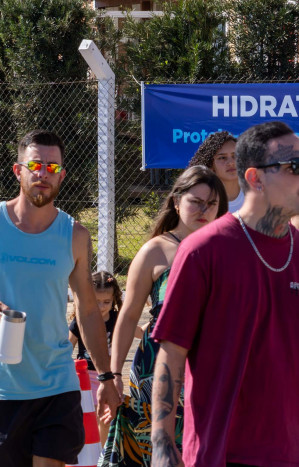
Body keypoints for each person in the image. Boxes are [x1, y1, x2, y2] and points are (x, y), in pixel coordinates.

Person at [0, 129, 120, 466]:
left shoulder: (75, 234)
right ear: (18, 170)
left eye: (52, 168)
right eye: (35, 165)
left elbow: (87, 309)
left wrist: (108, 377)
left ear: (62, 175)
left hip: (57, 383)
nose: (43, 174)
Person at [151, 121, 299, 466]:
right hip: (221, 452)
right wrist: (161, 441)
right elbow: (171, 352)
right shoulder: (205, 250)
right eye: (294, 167)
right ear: (255, 177)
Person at [101, 165, 226, 466]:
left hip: (211, 365)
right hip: (155, 371)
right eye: (196, 201)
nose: (204, 209)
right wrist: (114, 375)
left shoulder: (226, 247)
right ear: (176, 201)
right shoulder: (155, 251)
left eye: (211, 204)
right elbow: (128, 317)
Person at [68, 271, 123, 446]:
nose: (101, 306)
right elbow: (67, 346)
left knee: (105, 418)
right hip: (85, 377)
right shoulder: (81, 320)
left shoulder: (116, 319)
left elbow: (139, 332)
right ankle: (83, 452)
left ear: (114, 299)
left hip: (108, 378)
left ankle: (101, 454)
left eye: (106, 302)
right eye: (96, 301)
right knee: (84, 417)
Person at [188, 131, 241, 211]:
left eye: (235, 155)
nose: (231, 162)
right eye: (222, 158)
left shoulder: (258, 193)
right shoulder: (202, 198)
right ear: (210, 165)